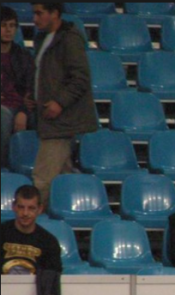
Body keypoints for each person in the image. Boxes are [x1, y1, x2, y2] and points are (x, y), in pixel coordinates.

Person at [30, 3, 98, 210]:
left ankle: (34, 226)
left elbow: (80, 78)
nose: (34, 19)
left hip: (60, 121)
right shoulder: (43, 38)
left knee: (43, 178)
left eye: (39, 13)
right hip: (50, 118)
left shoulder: (69, 39)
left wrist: (60, 102)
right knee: (64, 174)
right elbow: (45, 76)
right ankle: (71, 217)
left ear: (55, 14)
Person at [1, 5, 36, 169]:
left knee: (49, 117)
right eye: (3, 25)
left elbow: (32, 87)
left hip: (22, 106)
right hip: (3, 109)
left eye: (12, 25)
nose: (8, 30)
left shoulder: (23, 56)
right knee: (3, 115)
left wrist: (23, 111)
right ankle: (4, 168)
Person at [1, 185, 62, 275]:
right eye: (21, 207)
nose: (25, 213)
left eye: (31, 208)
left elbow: (52, 281)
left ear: (39, 209)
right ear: (14, 207)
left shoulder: (49, 242)